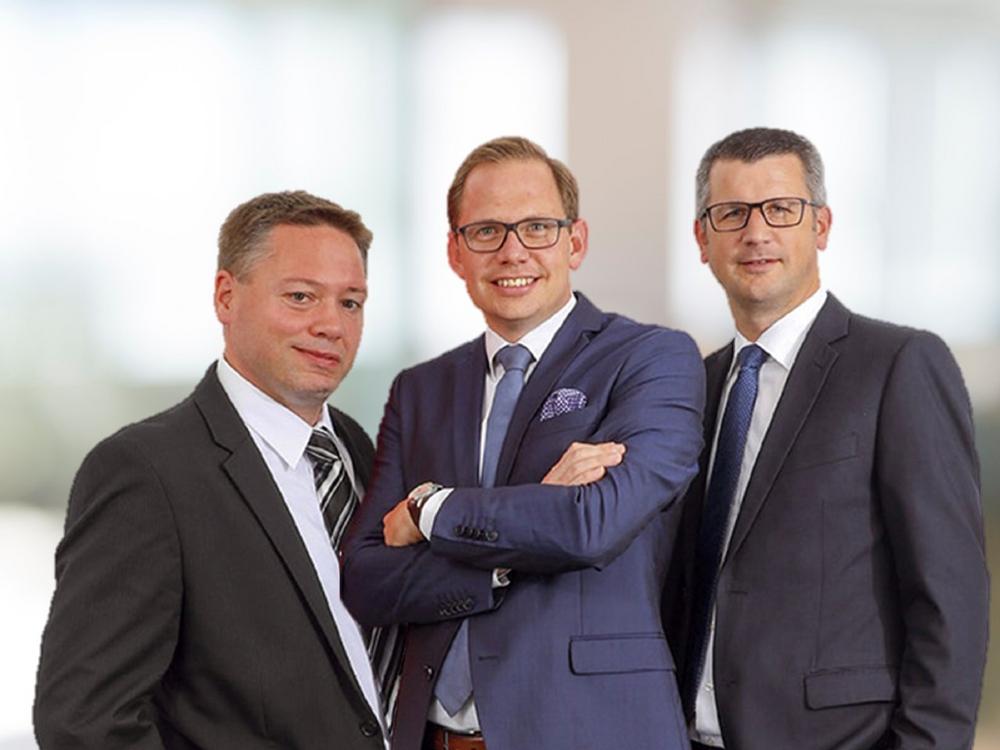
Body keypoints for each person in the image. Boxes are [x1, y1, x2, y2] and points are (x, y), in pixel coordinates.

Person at [341, 136, 705, 750]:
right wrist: (513, 551)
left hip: (591, 733)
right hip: (435, 738)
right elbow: (366, 578)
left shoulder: (651, 359)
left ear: (575, 241)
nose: (513, 251)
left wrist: (431, 511)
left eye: (537, 227)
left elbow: (591, 525)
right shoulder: (421, 389)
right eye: (486, 231)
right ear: (456, 252)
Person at [663, 127, 989, 750]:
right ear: (702, 239)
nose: (756, 232)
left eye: (781, 209)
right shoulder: (692, 388)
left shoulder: (898, 365)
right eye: (731, 213)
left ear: (822, 225)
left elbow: (950, 596)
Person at [35, 191, 390, 749]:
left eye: (351, 302)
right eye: (301, 296)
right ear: (226, 296)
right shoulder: (146, 473)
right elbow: (84, 722)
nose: (332, 325)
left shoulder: (358, 450)